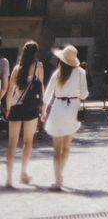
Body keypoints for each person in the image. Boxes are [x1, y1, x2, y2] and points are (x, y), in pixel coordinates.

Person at [42, 46, 88, 192]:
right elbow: (85, 94)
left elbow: (48, 95)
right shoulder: (81, 72)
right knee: (66, 147)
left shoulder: (58, 73)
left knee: (56, 149)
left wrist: (43, 111)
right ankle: (60, 175)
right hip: (73, 111)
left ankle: (57, 181)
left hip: (58, 110)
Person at [3, 41, 44, 189]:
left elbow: (10, 92)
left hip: (15, 107)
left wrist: (7, 108)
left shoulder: (16, 69)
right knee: (28, 142)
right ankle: (23, 173)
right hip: (31, 108)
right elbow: (41, 87)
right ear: (35, 52)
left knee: (12, 144)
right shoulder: (38, 66)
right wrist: (43, 108)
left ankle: (8, 178)